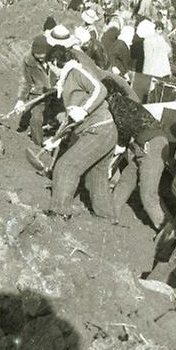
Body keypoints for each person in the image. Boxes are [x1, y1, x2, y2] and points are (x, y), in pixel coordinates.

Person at [44, 40, 116, 220]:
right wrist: (56, 139)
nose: (50, 71)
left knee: (66, 166)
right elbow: (72, 118)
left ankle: (60, 213)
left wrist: (85, 110)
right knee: (95, 178)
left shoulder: (76, 71)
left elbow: (101, 89)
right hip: (103, 131)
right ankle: (107, 219)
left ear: (54, 62)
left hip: (99, 129)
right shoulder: (67, 79)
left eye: (49, 66)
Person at [104, 79, 170, 231]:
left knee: (148, 195)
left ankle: (169, 233)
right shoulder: (123, 101)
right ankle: (110, 215)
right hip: (146, 144)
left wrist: (111, 163)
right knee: (126, 180)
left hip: (152, 145)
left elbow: (122, 137)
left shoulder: (117, 106)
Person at [13, 33, 52, 146]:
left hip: (57, 93)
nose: (39, 56)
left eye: (42, 54)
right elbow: (25, 81)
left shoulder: (55, 55)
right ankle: (37, 145)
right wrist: (21, 99)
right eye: (37, 54)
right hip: (38, 94)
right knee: (36, 119)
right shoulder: (28, 61)